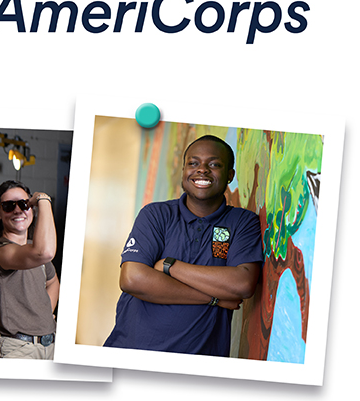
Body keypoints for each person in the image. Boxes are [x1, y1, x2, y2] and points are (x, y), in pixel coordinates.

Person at [104, 134, 264, 356]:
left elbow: (242, 283)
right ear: (183, 172)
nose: (202, 170)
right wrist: (214, 299)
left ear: (230, 175)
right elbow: (132, 279)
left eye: (214, 164)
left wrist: (171, 266)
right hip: (131, 351)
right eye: (193, 163)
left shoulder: (242, 222)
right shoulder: (156, 215)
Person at [0, 180, 60, 359]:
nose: (18, 210)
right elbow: (45, 252)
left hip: (49, 346)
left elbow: (53, 282)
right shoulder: (0, 251)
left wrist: (43, 313)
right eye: (9, 206)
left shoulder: (33, 247)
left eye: (24, 204)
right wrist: (43, 199)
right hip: (16, 349)